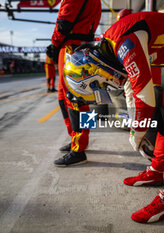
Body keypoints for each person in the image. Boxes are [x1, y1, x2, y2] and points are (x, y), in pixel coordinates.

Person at [63, 12, 164, 223]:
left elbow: (144, 95)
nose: (107, 87)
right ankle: (157, 169)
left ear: (93, 71)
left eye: (100, 85)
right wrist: (134, 128)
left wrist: (138, 133)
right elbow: (131, 89)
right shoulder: (111, 46)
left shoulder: (124, 43)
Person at [46, 0, 101, 166]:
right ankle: (77, 140)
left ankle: (79, 148)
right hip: (74, 47)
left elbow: (64, 22)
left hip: (73, 47)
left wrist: (55, 44)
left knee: (75, 99)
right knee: (66, 98)